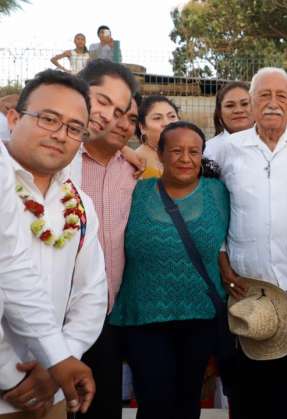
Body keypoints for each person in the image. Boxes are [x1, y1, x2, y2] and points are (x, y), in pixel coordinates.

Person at [208, 67, 287, 419]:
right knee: (248, 388)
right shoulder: (224, 148)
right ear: (252, 102)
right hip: (247, 286)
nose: (273, 103)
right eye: (264, 96)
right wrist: (223, 260)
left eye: (281, 96)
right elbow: (207, 206)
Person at [0, 69, 108, 419]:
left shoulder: (78, 204)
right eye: (49, 119)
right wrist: (7, 376)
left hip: (54, 392)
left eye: (75, 128)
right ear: (14, 117)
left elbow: (92, 294)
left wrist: (59, 361)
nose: (61, 135)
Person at [109, 121, 229, 419]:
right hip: (144, 318)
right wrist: (123, 147)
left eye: (194, 151)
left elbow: (235, 236)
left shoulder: (219, 193)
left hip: (200, 317)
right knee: (153, 401)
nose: (185, 158)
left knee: (189, 400)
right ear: (159, 154)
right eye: (176, 151)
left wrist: (226, 264)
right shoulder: (135, 191)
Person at [72, 59, 139, 419]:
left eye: (128, 117)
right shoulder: (60, 158)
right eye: (108, 107)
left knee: (103, 407)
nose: (118, 122)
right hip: (54, 314)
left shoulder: (136, 169)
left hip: (108, 315)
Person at [133, 95, 180, 178]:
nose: (167, 123)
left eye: (172, 116)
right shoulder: (136, 162)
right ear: (142, 127)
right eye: (157, 118)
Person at [204, 81, 253, 159]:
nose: (238, 110)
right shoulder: (209, 151)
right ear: (219, 112)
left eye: (245, 104)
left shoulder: (272, 145)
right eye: (230, 105)